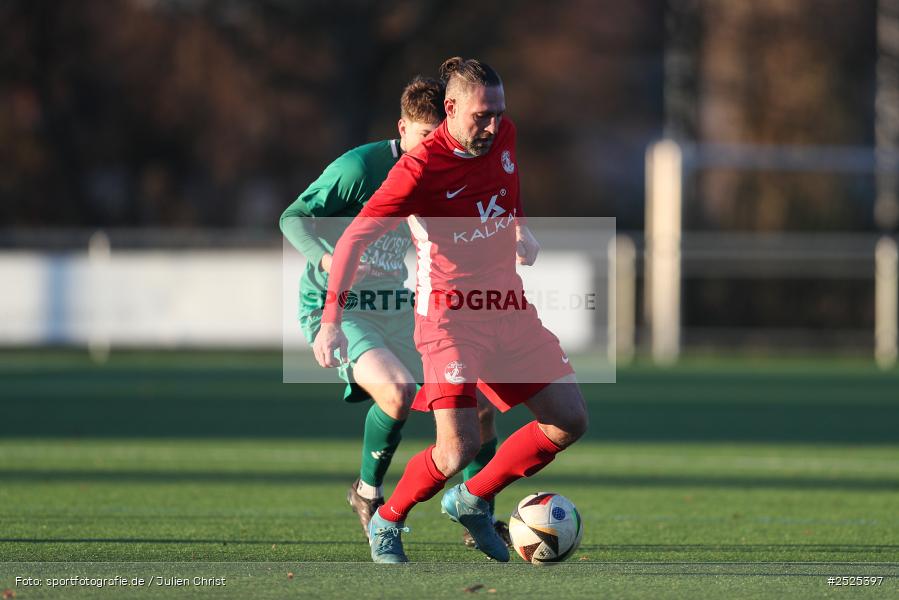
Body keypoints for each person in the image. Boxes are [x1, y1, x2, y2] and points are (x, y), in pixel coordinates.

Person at [313, 57, 588, 564]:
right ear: (451, 108)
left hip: (509, 308)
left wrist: (520, 226)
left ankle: (472, 498)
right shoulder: (418, 169)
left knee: (568, 420)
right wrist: (331, 321)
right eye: (481, 116)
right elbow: (351, 241)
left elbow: (507, 185)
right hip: (450, 319)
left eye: (499, 114)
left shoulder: (503, 136)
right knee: (455, 449)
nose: (492, 125)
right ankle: (387, 520)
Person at [280, 76, 509, 547]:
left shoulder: (445, 167)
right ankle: (368, 494)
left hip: (398, 303)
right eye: (425, 137)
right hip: (341, 307)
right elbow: (292, 217)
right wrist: (327, 258)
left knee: (481, 404)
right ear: (401, 128)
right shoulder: (359, 168)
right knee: (398, 392)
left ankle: (476, 510)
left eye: (441, 136)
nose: (434, 146)